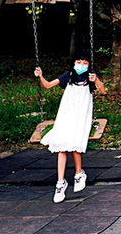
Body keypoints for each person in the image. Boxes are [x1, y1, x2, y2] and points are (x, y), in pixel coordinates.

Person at [34, 49, 105, 203]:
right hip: (66, 114)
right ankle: (60, 183)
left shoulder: (90, 78)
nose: (81, 65)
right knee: (61, 145)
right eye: (79, 62)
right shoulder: (68, 76)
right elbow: (47, 86)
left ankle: (79, 174)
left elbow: (103, 91)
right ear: (74, 63)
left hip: (81, 116)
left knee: (74, 144)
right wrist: (41, 76)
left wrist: (97, 80)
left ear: (89, 65)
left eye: (85, 63)